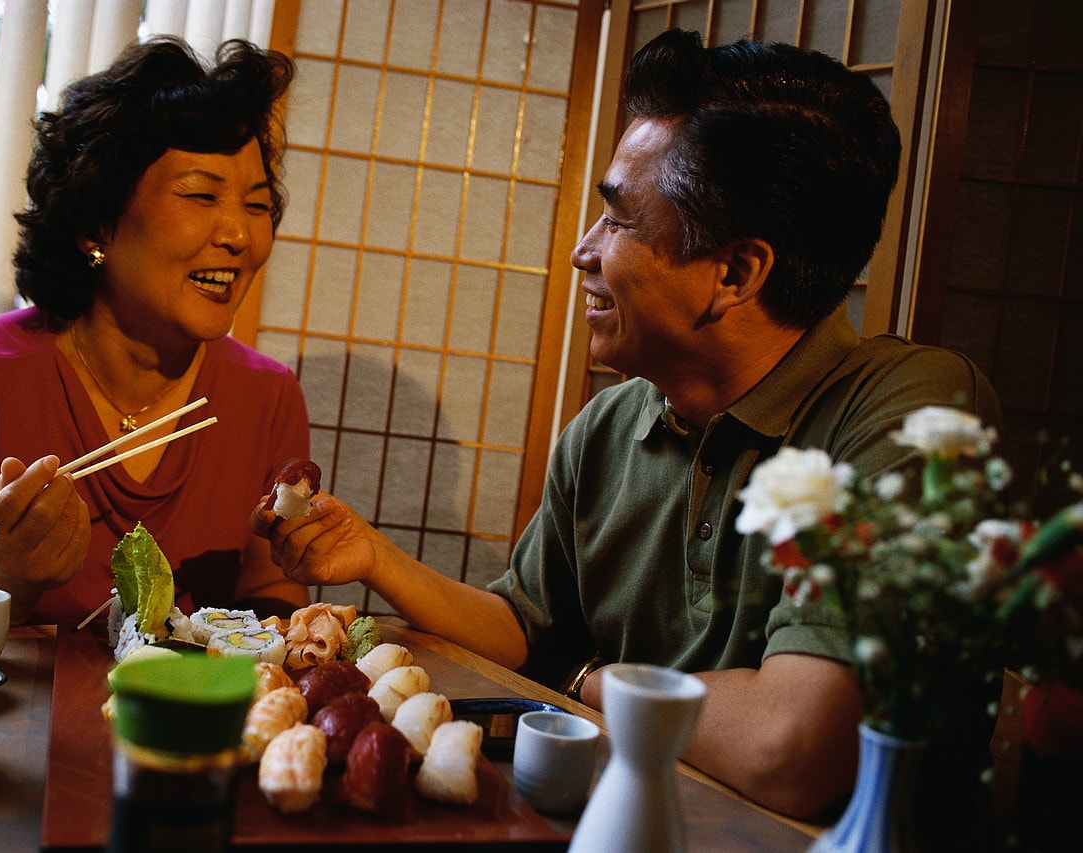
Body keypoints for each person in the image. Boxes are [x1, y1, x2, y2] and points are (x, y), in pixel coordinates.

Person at [250, 29, 1000, 820]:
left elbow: (791, 748)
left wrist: (592, 679)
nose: (582, 252)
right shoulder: (611, 425)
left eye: (618, 221)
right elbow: (526, 629)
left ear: (737, 272)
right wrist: (375, 557)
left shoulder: (915, 413)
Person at [0, 37, 311, 629]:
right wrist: (2, 582)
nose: (239, 236)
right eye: (201, 195)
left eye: (256, 205)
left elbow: (273, 605)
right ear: (96, 221)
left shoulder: (267, 399)